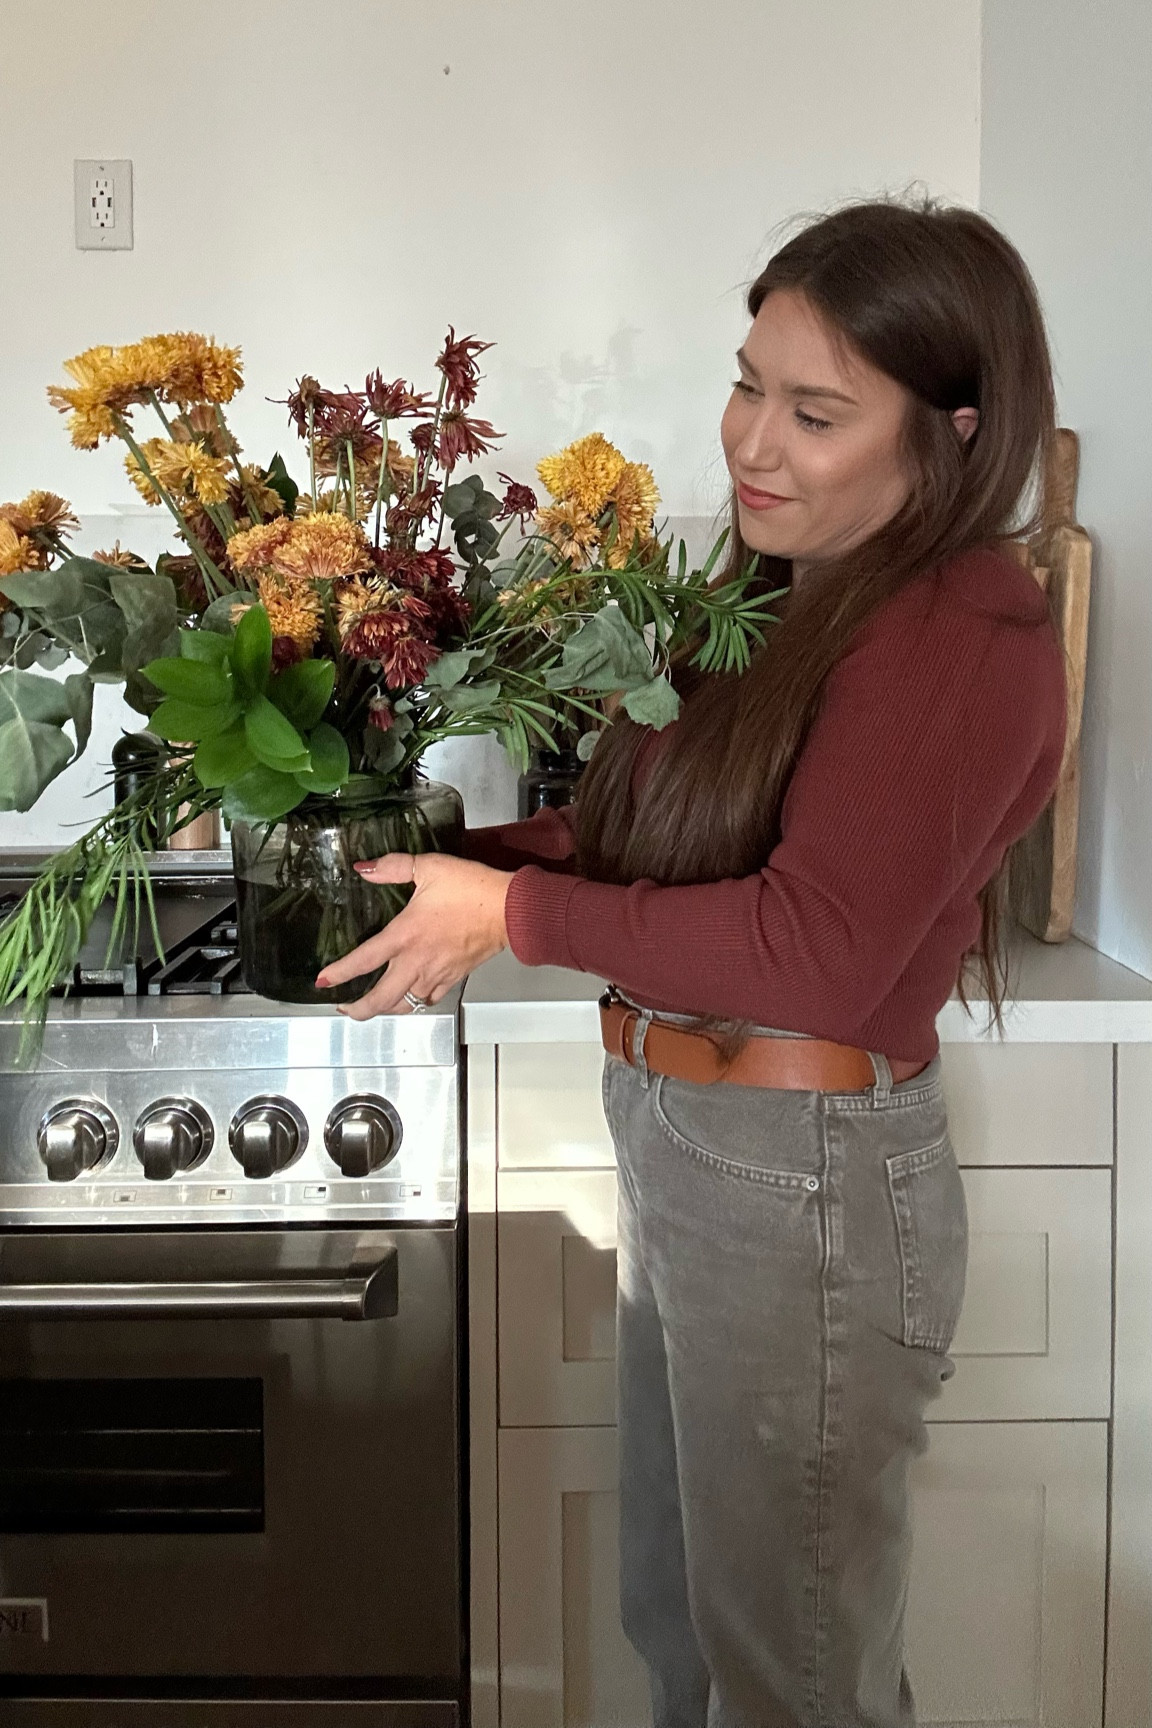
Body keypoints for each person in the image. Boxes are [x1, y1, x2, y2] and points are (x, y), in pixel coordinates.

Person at [316, 195, 1067, 1728]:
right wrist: (443, 869)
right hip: (703, 1150)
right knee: (685, 1622)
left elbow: (813, 952)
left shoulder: (962, 631)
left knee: (787, 1677)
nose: (753, 442)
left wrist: (510, 920)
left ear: (955, 432)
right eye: (748, 383)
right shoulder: (786, 591)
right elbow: (664, 848)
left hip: (807, 1178)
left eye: (817, 411)